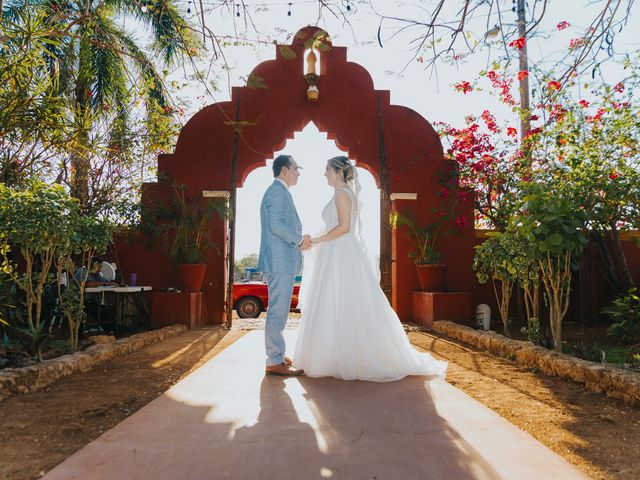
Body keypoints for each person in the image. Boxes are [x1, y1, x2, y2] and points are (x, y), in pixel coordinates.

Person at [293, 156, 447, 381]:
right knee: (338, 301)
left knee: (344, 301)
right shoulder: (343, 192)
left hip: (341, 253)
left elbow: (344, 227)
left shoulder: (342, 193)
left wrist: (316, 240)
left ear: (337, 172)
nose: (324, 173)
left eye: (327, 169)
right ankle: (335, 354)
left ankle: (345, 357)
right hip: (336, 252)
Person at [258, 155, 311, 376]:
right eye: (295, 169)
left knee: (278, 310)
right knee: (278, 311)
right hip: (279, 263)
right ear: (283, 170)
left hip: (281, 262)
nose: (298, 173)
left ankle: (277, 355)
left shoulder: (279, 191)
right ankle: (274, 360)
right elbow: (276, 225)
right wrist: (299, 241)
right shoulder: (277, 192)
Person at [73, 256, 118, 333]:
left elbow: (105, 281)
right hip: (76, 301)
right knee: (98, 309)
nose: (101, 268)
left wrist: (114, 283)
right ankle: (111, 329)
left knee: (102, 309)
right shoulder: (83, 272)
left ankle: (112, 329)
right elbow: (88, 284)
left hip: (87, 301)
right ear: (94, 265)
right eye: (100, 266)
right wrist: (107, 283)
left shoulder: (96, 275)